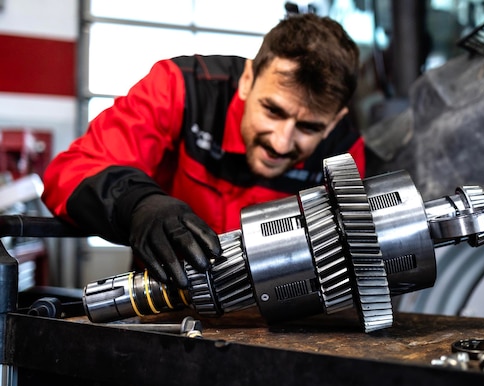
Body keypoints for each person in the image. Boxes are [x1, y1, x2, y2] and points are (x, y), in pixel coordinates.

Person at [41, 13, 365, 289]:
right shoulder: (181, 89)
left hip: (276, 325)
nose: (280, 142)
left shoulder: (343, 150)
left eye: (309, 128)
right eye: (272, 111)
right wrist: (138, 203)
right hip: (163, 306)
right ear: (248, 79)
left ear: (334, 121)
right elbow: (70, 172)